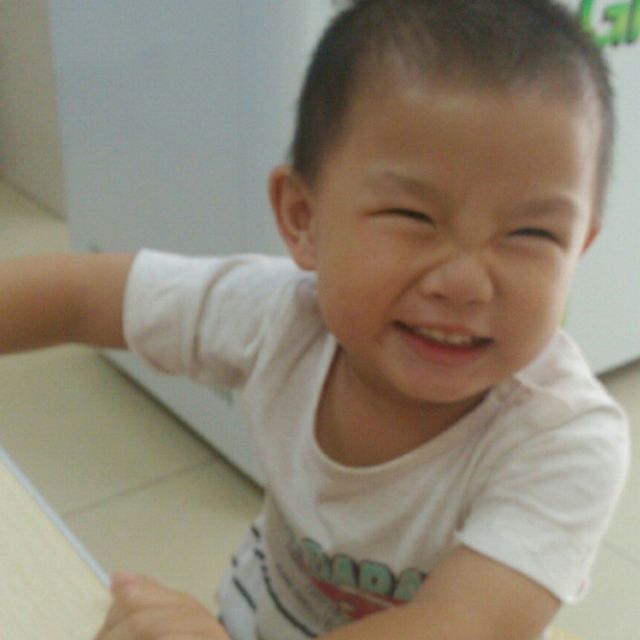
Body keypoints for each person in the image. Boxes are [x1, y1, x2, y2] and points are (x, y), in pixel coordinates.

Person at [0, 1, 630, 639]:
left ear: (578, 248)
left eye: (532, 234)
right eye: (413, 217)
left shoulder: (563, 438)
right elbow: (83, 297)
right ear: (303, 218)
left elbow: (462, 625)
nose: (466, 283)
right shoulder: (278, 315)